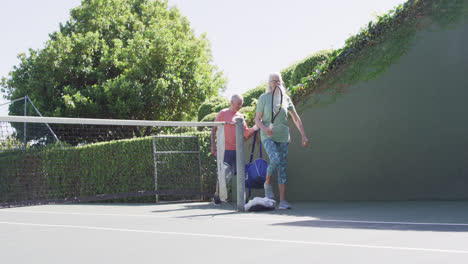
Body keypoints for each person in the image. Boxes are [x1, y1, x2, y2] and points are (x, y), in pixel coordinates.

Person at [254, 72, 309, 209]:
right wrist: (265, 129)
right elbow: (257, 119)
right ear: (269, 83)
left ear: (281, 83)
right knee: (275, 159)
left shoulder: (286, 99)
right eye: (273, 81)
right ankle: (267, 183)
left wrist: (303, 135)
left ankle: (283, 201)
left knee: (282, 169)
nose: (276, 83)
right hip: (268, 136)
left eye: (278, 81)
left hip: (284, 137)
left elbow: (296, 118)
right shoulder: (264, 98)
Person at [211, 94, 257, 205]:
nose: (240, 106)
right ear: (232, 102)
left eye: (241, 104)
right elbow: (213, 130)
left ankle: (243, 198)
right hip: (225, 150)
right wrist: (213, 146)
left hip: (237, 151)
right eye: (238, 104)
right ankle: (217, 196)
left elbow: (245, 133)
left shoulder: (240, 117)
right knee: (222, 174)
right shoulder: (222, 113)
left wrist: (255, 127)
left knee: (241, 174)